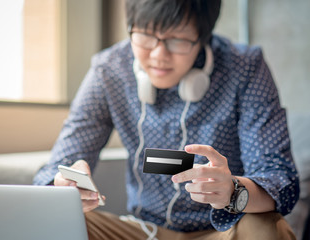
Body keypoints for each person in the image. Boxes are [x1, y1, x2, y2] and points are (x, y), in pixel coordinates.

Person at [34, 0, 299, 239]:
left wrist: (233, 191)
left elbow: (280, 180)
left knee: (263, 226)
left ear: (202, 36)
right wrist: (64, 183)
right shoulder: (110, 69)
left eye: (177, 40)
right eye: (146, 36)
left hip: (224, 230)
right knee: (54, 222)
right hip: (141, 230)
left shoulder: (245, 67)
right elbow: (57, 166)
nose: (159, 54)